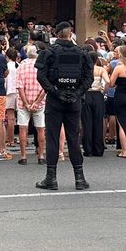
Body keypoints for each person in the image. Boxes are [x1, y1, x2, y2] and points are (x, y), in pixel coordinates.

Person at [36, 22, 93, 191]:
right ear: (70, 34)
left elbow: (41, 75)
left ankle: (51, 179)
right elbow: (88, 77)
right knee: (73, 138)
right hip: (74, 100)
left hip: (55, 100)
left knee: (52, 138)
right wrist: (77, 93)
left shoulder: (49, 52)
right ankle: (80, 179)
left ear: (57, 34)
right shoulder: (82, 52)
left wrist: (54, 91)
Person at [15, 44, 46, 164]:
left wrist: (26, 103)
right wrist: (37, 102)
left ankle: (23, 156)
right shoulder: (42, 67)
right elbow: (45, 87)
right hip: (39, 102)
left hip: (24, 103)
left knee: (23, 129)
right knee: (41, 129)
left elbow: (19, 87)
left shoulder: (21, 67)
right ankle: (41, 155)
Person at [81, 50, 108, 157]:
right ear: (97, 59)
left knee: (86, 123)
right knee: (98, 122)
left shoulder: (84, 69)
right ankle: (98, 149)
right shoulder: (101, 69)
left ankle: (88, 149)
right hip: (97, 95)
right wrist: (103, 91)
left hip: (86, 95)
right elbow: (108, 81)